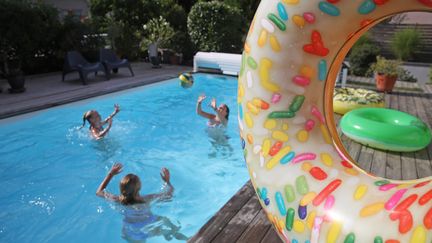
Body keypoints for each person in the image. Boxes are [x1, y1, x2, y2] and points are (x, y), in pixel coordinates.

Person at [96, 163, 187, 242]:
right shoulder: (146, 199)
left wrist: (110, 174)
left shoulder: (119, 200)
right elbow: (169, 194)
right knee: (165, 220)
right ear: (139, 187)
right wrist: (167, 181)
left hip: (132, 232)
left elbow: (99, 192)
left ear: (122, 189)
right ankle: (179, 236)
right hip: (151, 227)